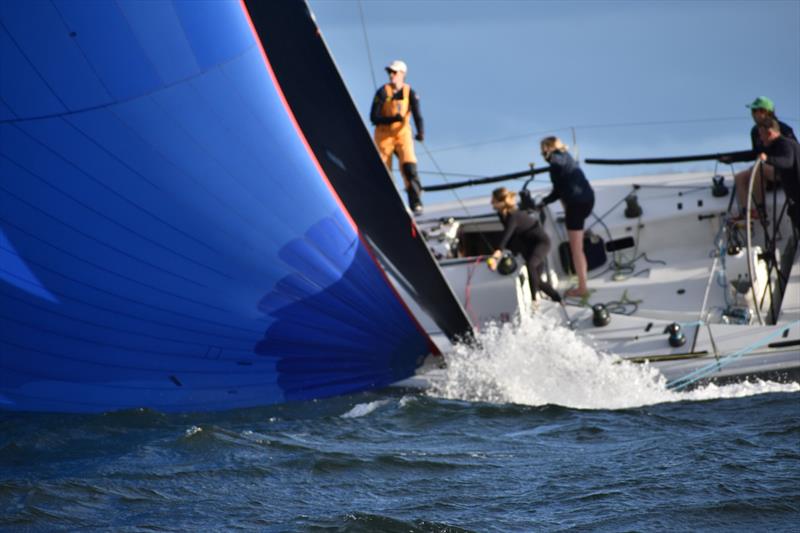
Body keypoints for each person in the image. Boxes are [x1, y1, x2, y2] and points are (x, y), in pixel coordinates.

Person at [539, 136, 595, 298]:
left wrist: (544, 202)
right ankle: (579, 232)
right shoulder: (568, 157)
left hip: (575, 206)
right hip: (588, 200)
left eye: (543, 151)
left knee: (576, 250)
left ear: (547, 149)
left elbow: (557, 192)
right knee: (577, 233)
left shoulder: (554, 163)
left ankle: (582, 288)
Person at [723, 96, 797, 220]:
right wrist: (732, 158)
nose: (752, 114)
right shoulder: (755, 131)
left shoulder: (783, 129)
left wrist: (768, 159)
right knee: (740, 177)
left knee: (758, 168)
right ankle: (747, 213)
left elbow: (793, 154)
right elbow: (755, 153)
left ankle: (760, 209)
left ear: (765, 112)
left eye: (754, 111)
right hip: (766, 169)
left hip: (784, 171)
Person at [488, 187, 561, 304]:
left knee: (531, 266)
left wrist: (497, 254)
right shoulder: (502, 215)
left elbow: (507, 235)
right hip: (529, 246)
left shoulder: (514, 216)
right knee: (536, 279)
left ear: (500, 201)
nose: (491, 203)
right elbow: (512, 237)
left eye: (493, 200)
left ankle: (538, 300)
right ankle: (551, 299)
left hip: (541, 243)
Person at [370, 60, 425, 213]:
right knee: (383, 169)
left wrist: (421, 132)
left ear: (402, 74)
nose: (391, 75)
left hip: (402, 133)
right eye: (390, 72)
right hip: (383, 135)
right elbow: (373, 117)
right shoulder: (382, 92)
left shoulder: (410, 93)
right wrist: (393, 119)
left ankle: (415, 202)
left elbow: (418, 115)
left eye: (395, 72)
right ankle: (385, 201)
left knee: (409, 166)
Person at [757, 118, 800, 234]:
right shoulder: (777, 146)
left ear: (769, 133)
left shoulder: (785, 144)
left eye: (761, 135)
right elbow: (753, 154)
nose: (760, 139)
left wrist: (768, 159)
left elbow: (787, 162)